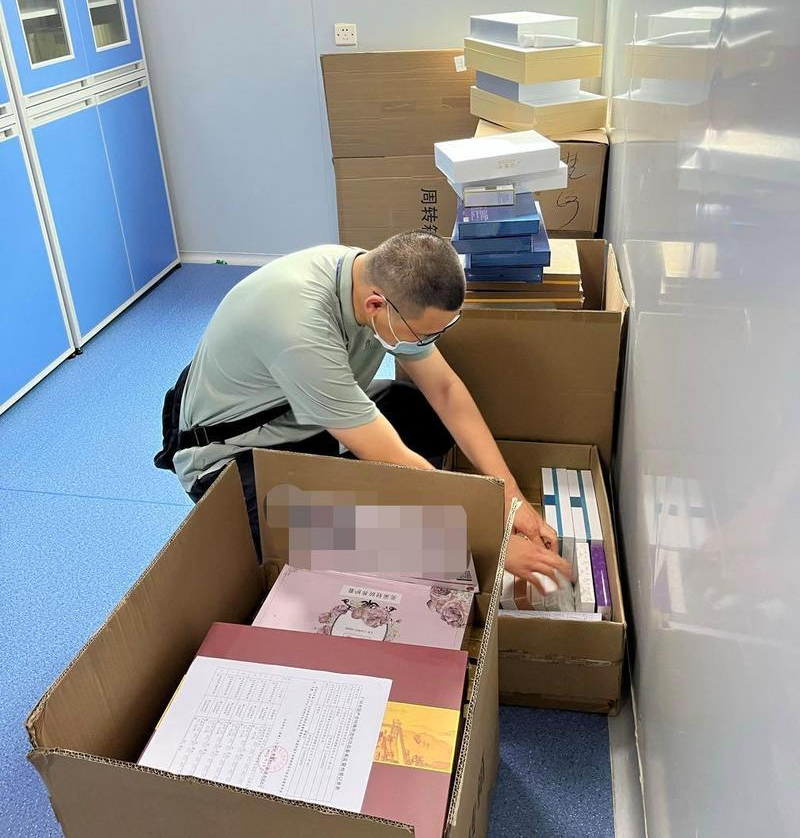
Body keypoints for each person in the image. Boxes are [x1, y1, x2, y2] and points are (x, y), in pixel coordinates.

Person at [161, 231, 571, 591]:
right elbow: (389, 454)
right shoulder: (299, 326)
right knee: (363, 544)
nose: (426, 344)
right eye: (422, 335)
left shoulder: (377, 278)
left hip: (305, 421)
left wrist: (510, 496)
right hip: (233, 458)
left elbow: (445, 390)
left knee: (424, 419)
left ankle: (350, 495)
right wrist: (491, 540)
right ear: (376, 306)